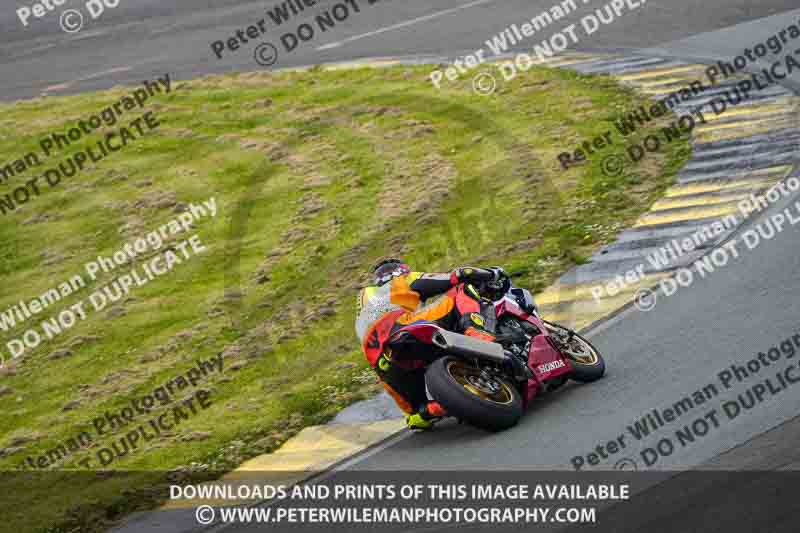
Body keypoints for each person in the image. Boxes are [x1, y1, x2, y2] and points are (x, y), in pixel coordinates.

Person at [355, 258, 504, 431]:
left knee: (416, 415)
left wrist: (412, 412)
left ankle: (429, 411)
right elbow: (458, 276)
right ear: (400, 270)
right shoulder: (400, 280)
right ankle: (476, 331)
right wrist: (492, 273)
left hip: (382, 361)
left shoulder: (364, 305)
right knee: (461, 289)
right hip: (402, 327)